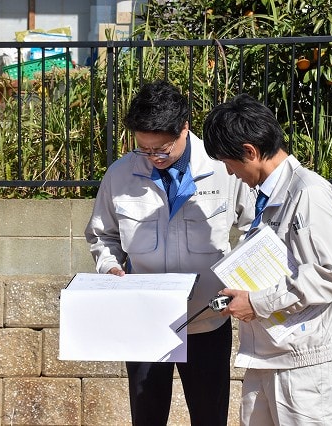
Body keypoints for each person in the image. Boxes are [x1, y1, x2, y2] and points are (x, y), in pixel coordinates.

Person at [84, 80, 255, 426]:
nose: (154, 157)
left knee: (210, 417)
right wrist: (110, 269)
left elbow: (256, 229)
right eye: (144, 149)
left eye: (162, 148)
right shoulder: (120, 175)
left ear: (184, 129)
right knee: (147, 417)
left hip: (208, 320)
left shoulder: (223, 168)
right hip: (147, 320)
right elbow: (102, 235)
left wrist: (243, 282)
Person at [203, 94, 332, 425]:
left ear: (250, 152)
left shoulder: (308, 193)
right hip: (267, 359)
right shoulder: (270, 197)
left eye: (229, 162)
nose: (230, 172)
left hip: (305, 367)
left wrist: (256, 302)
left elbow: (330, 272)